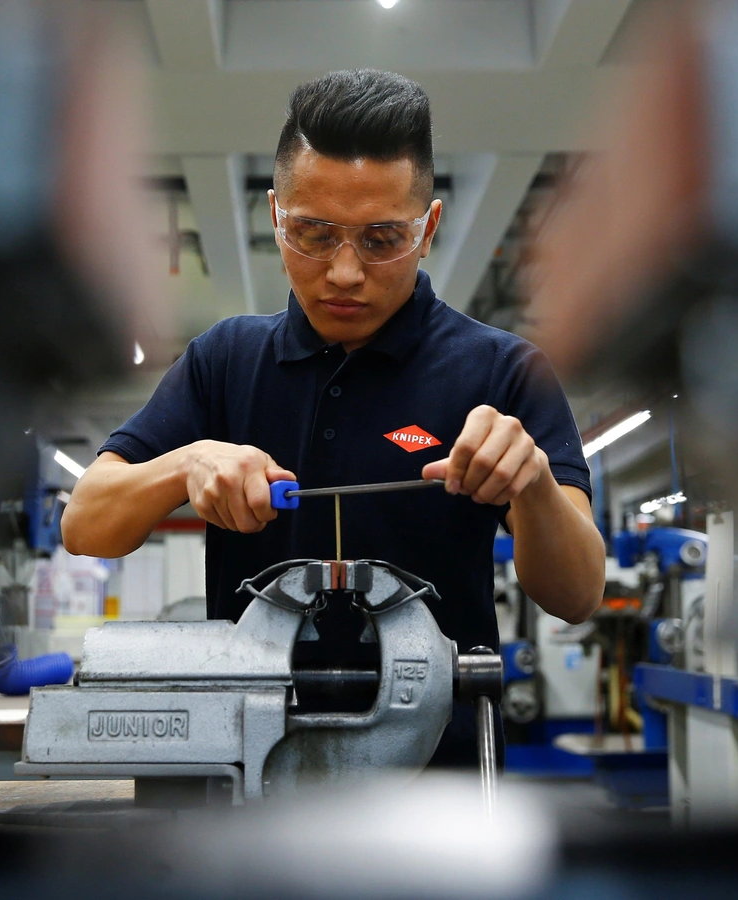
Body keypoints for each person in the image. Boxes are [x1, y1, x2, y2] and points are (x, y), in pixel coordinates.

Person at [61, 69, 605, 765]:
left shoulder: (503, 372)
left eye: (382, 240)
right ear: (275, 216)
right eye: (314, 235)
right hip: (249, 777)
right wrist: (186, 461)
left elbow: (579, 593)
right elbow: (86, 524)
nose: (344, 272)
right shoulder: (224, 362)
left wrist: (531, 485)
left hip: (437, 784)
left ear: (430, 228)